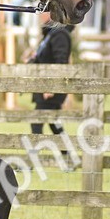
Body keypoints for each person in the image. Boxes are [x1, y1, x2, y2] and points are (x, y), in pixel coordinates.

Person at [27, 10, 74, 138]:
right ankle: (67, 154)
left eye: (44, 10)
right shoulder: (50, 33)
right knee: (55, 123)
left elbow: (61, 62)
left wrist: (52, 86)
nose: (41, 13)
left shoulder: (60, 34)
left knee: (37, 122)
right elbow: (45, 57)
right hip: (45, 85)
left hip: (50, 88)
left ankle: (35, 155)